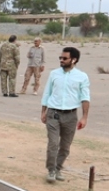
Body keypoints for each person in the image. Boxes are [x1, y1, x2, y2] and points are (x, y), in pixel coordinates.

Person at [39, 46, 91, 183]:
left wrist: (84, 117)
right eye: (60, 58)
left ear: (74, 60)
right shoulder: (54, 74)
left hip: (71, 115)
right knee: (53, 143)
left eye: (64, 58)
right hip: (53, 113)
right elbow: (47, 93)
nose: (61, 60)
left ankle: (58, 168)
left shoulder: (82, 77)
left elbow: (85, 97)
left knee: (65, 146)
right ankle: (51, 170)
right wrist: (43, 112)